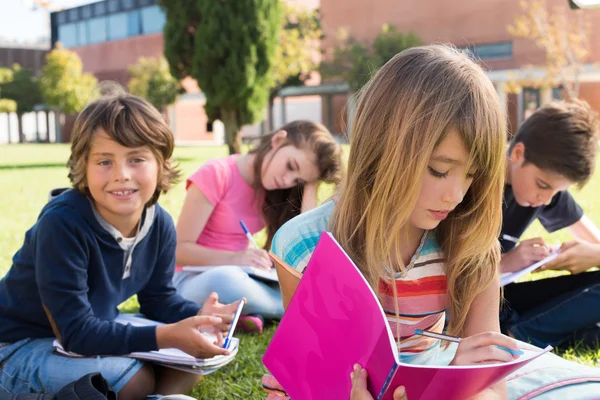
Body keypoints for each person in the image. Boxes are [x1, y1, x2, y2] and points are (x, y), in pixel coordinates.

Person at [264, 44, 517, 400]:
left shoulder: (470, 243)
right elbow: (309, 375)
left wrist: (461, 386)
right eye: (439, 170)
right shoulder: (305, 245)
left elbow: (492, 388)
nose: (457, 195)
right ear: (383, 148)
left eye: (472, 176)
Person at [0, 87, 241, 399]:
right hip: (17, 347)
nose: (122, 175)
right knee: (133, 380)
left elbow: (158, 299)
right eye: (104, 162)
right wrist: (168, 336)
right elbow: (76, 333)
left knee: (192, 362)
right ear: (83, 167)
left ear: (161, 164)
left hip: (78, 340)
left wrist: (199, 317)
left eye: (137, 158)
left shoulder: (160, 224)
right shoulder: (61, 225)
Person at [172, 120, 343, 333]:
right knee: (228, 280)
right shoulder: (216, 173)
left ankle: (246, 313)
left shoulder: (272, 190)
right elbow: (178, 251)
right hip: (191, 280)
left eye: (297, 179)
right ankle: (299, 309)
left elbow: (306, 242)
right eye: (290, 166)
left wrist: (310, 183)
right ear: (278, 140)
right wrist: (235, 258)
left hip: (243, 274)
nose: (287, 180)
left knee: (290, 279)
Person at [499, 99, 600, 348]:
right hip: (472, 307)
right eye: (543, 186)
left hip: (507, 302)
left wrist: (593, 255)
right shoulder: (473, 185)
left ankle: (526, 335)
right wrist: (505, 263)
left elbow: (594, 241)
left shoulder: (545, 191)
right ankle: (517, 338)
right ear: (518, 153)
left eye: (556, 191)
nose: (545, 199)